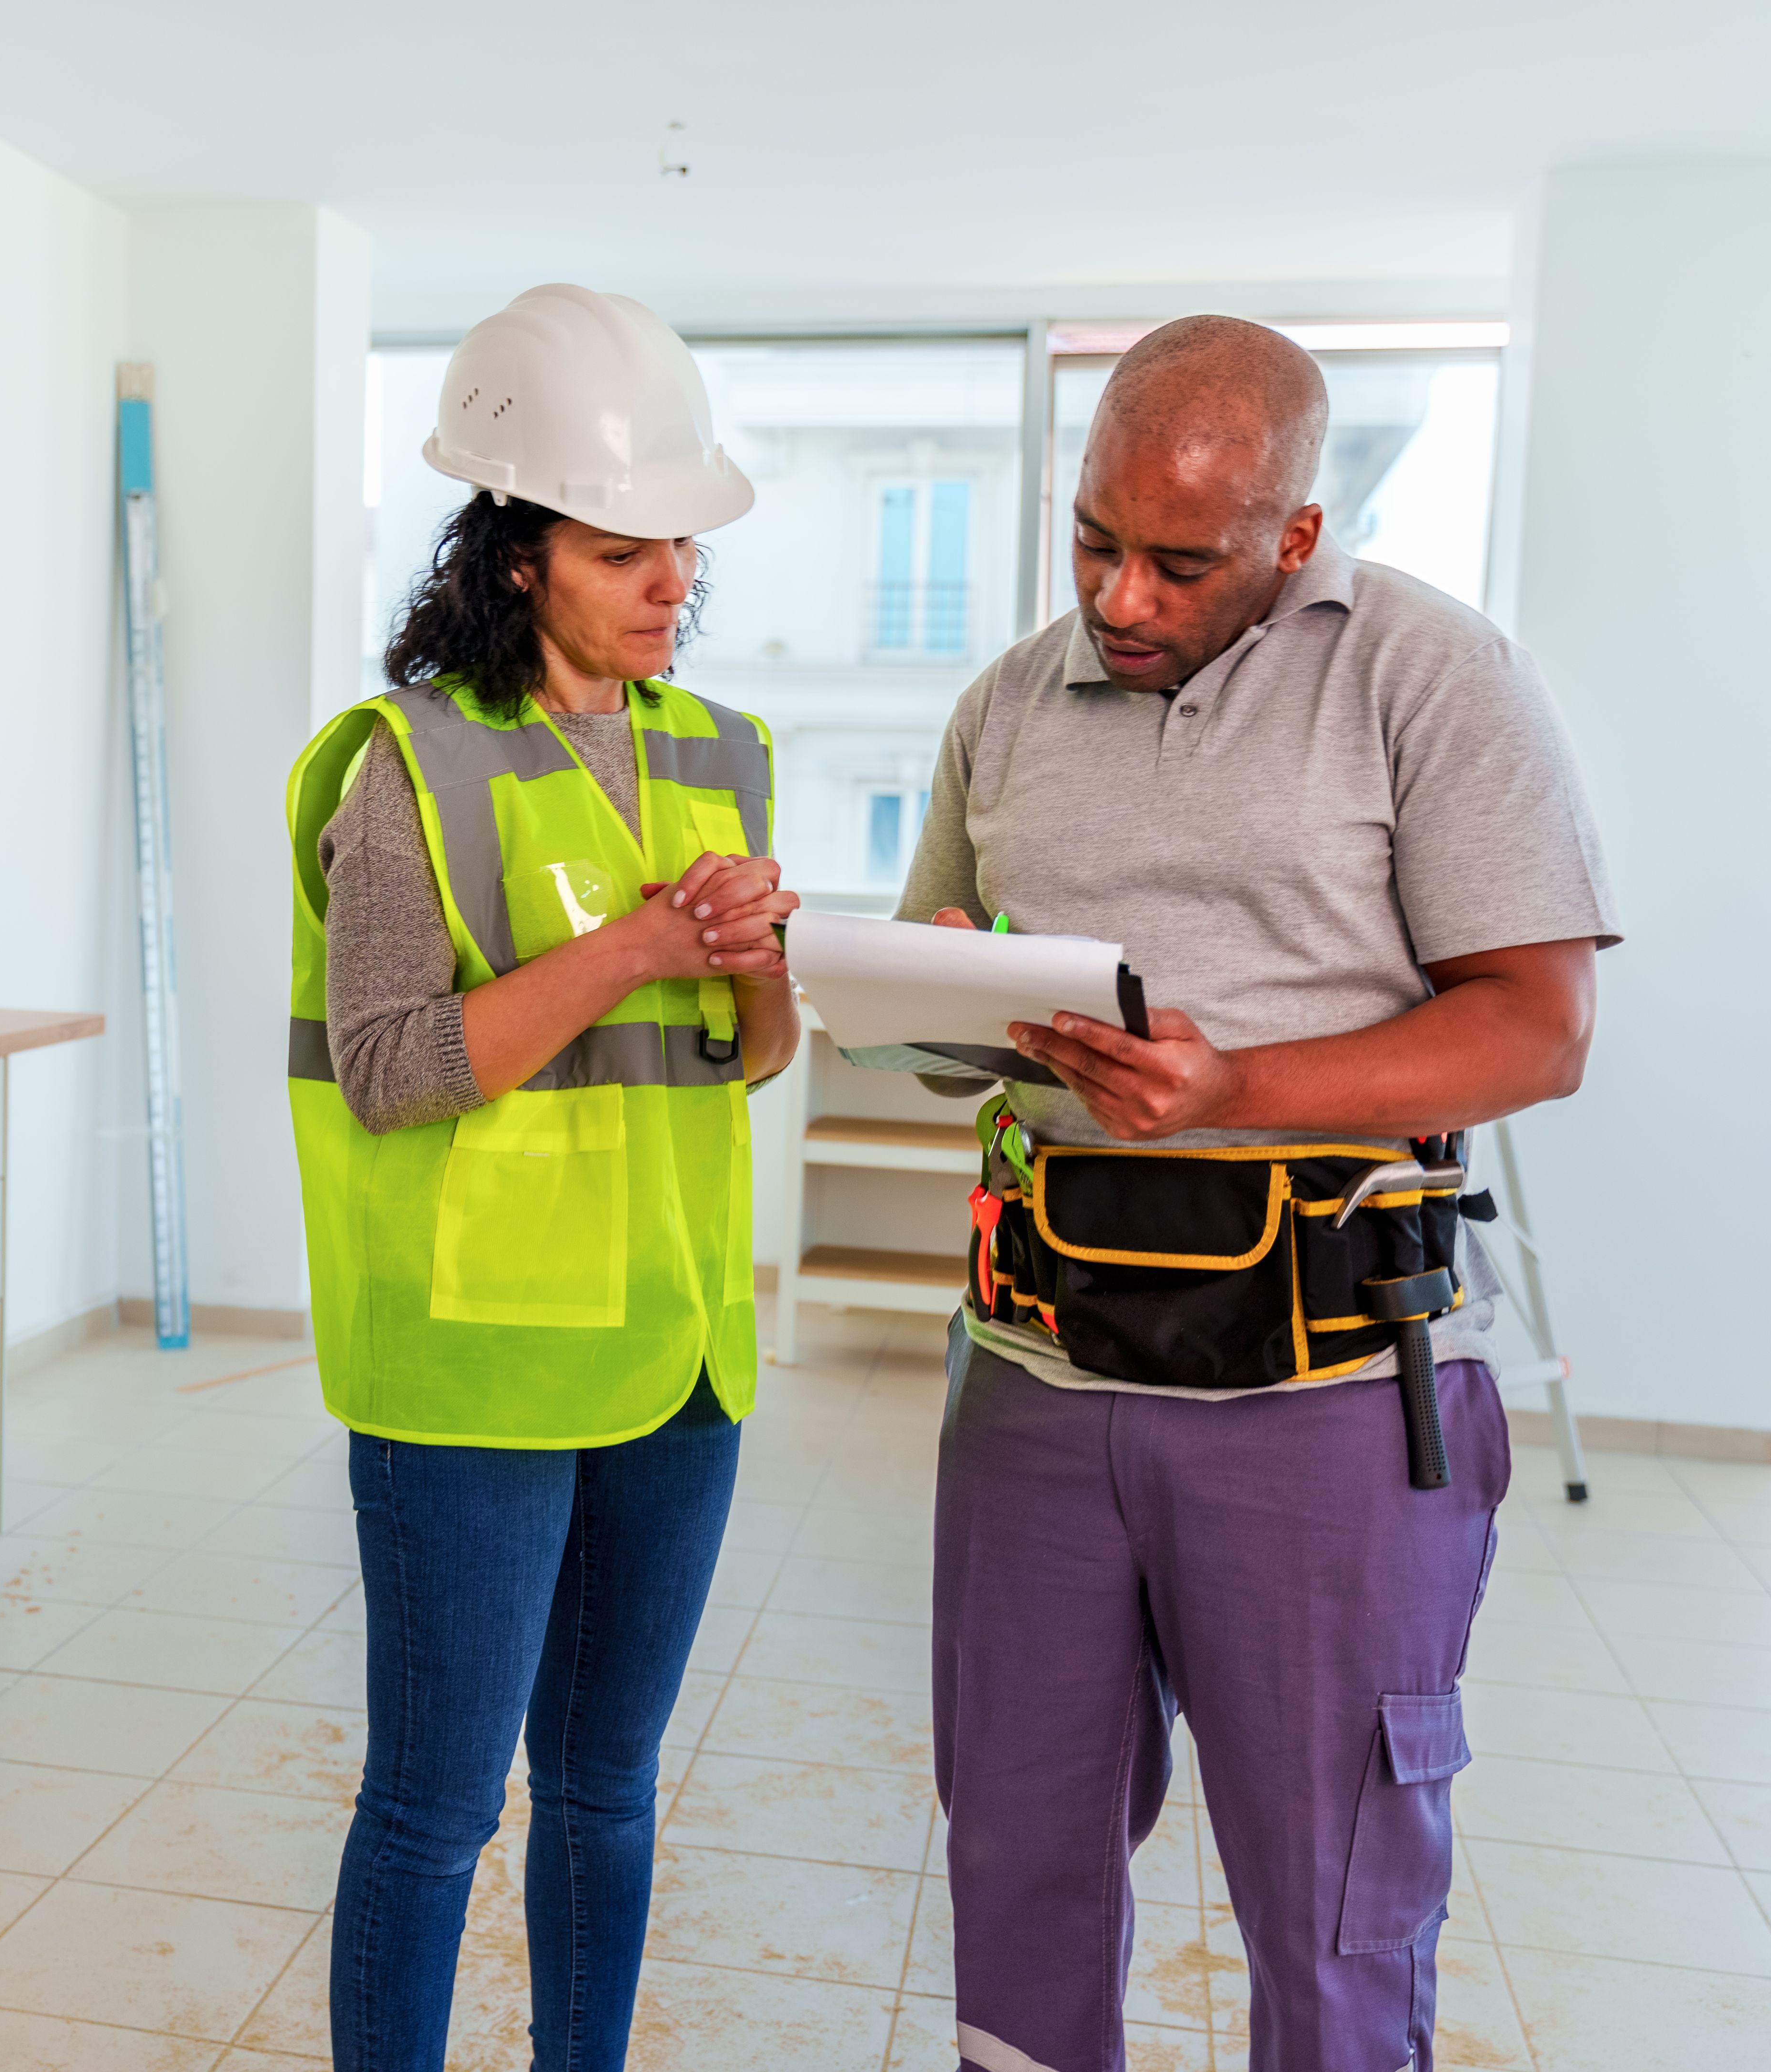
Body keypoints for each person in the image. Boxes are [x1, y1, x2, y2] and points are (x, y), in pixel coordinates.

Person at [901, 316, 1618, 2072]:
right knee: (1014, 1861)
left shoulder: (1432, 677)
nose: (1121, 599)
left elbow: (1542, 1027)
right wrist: (924, 1001)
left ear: (1298, 537)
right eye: (1094, 540)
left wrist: (1239, 1094)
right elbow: (942, 999)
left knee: (1330, 1906)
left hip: (1324, 1398)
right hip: (1041, 1379)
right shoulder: (1005, 700)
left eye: (1180, 560)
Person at [281, 283, 801, 2072]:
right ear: (513, 556)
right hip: (479, 1366)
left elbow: (754, 1054)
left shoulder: (721, 752)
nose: (671, 581)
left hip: (674, 1351)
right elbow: (395, 1067)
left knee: (609, 1790)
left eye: (681, 547)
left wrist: (755, 961)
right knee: (438, 1814)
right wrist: (647, 946)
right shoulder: (405, 770)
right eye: (621, 547)